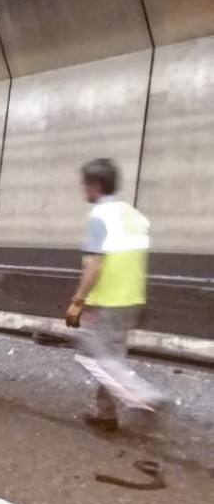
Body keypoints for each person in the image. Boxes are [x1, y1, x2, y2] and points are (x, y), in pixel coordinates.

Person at [65, 158, 168, 431]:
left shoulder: (100, 216)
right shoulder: (134, 216)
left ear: (96, 186)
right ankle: (106, 415)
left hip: (107, 299)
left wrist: (79, 301)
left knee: (90, 355)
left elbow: (96, 264)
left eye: (85, 185)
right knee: (112, 356)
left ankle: (142, 394)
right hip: (132, 297)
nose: (83, 190)